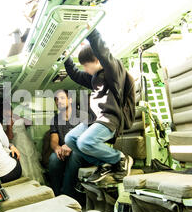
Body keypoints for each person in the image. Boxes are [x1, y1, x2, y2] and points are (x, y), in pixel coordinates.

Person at [63, 28, 133, 183]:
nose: (84, 69)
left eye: (86, 66)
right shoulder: (94, 77)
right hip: (95, 120)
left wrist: (92, 33)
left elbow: (104, 55)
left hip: (110, 118)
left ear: (98, 61)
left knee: (84, 142)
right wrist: (65, 57)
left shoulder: (114, 72)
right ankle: (105, 163)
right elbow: (75, 74)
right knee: (70, 139)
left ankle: (120, 159)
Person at [48, 90, 90, 201]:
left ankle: (67, 194)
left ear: (70, 100)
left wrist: (71, 145)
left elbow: (86, 138)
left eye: (62, 98)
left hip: (81, 151)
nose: (59, 101)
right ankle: (56, 196)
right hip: (64, 152)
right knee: (53, 159)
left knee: (75, 154)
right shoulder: (55, 119)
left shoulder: (82, 116)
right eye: (56, 99)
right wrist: (57, 148)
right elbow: (54, 139)